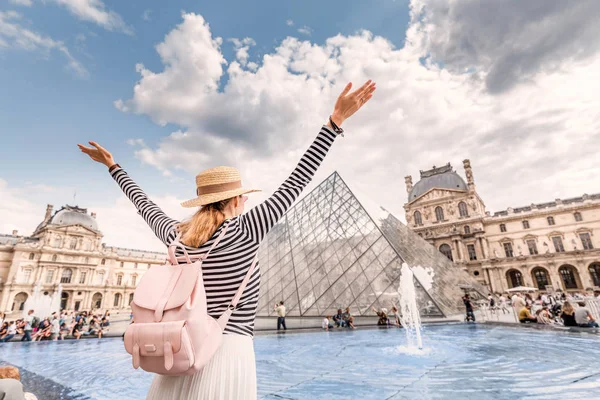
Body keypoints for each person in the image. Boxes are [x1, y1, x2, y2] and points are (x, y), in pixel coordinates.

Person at [78, 79, 376, 400]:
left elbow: (143, 204)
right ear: (235, 201)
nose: (246, 203)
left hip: (180, 352)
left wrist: (113, 166)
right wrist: (334, 122)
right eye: (243, 198)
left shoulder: (176, 237)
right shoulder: (246, 229)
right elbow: (297, 180)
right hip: (228, 350)